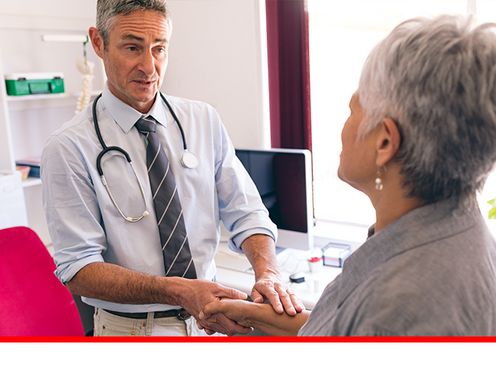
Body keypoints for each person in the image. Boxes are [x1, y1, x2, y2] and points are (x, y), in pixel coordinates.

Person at [200, 14, 496, 336]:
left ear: (384, 142)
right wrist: (251, 316)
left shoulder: (399, 303)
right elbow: (337, 329)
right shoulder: (452, 231)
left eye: (353, 109)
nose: (344, 127)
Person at [41, 0, 303, 337]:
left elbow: (247, 212)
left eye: (159, 48)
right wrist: (178, 290)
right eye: (132, 47)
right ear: (98, 43)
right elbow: (78, 269)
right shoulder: (68, 147)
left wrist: (268, 272)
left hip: (209, 322)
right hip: (132, 329)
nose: (149, 67)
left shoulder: (202, 120)